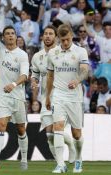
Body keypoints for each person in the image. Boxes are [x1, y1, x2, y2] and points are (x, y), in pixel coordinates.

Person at [0, 3, 29, 171]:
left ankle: (24, 159)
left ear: (16, 37)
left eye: (12, 34)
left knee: (21, 129)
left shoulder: (22, 55)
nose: (10, 36)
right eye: (7, 34)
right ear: (4, 38)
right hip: (3, 95)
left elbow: (25, 76)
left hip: (18, 96)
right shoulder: (0, 50)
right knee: (0, 125)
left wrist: (14, 84)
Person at [46, 24, 89, 173]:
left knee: (76, 134)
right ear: (58, 38)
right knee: (57, 127)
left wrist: (77, 80)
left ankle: (78, 158)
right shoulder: (52, 53)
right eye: (62, 40)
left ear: (72, 36)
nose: (65, 43)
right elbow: (50, 76)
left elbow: (85, 71)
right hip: (58, 95)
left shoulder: (80, 51)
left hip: (75, 98)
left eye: (67, 39)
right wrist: (47, 96)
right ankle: (60, 164)